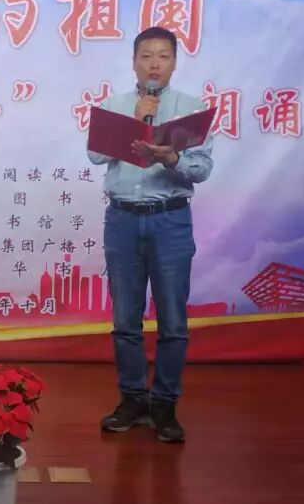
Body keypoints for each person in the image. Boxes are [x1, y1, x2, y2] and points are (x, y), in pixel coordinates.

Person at [87, 27, 214, 443]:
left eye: (163, 56)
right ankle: (132, 399)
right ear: (134, 62)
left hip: (169, 220)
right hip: (122, 220)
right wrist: (134, 122)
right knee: (126, 318)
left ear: (174, 63)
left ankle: (164, 404)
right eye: (146, 56)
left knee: (173, 320)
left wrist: (172, 158)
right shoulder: (114, 106)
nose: (154, 64)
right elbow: (95, 154)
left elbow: (201, 169)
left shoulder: (191, 110)